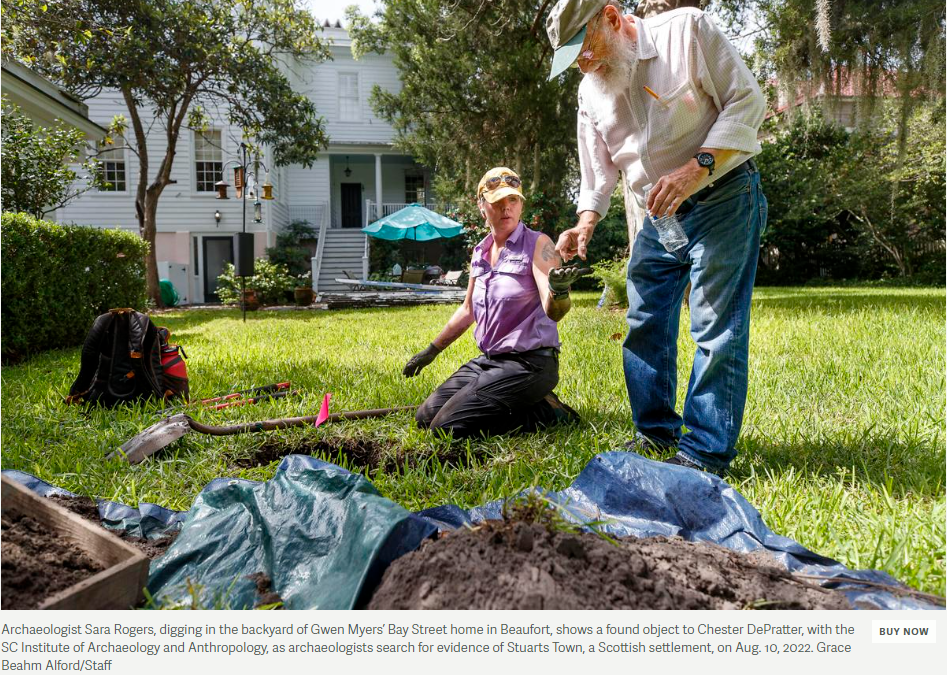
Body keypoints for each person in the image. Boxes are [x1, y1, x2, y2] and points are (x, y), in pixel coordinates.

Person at [545, 1, 768, 475]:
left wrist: (695, 169)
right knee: (644, 319)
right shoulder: (591, 89)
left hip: (723, 196)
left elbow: (748, 100)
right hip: (660, 216)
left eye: (585, 48)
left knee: (714, 325)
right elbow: (598, 171)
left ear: (611, 16)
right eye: (574, 60)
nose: (586, 64)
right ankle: (654, 435)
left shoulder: (686, 31)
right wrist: (585, 221)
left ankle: (705, 452)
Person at [403, 167, 586, 438]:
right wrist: (431, 351)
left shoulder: (537, 244)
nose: (506, 208)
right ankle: (521, 401)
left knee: (447, 429)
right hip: (489, 362)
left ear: (521, 205)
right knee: (424, 417)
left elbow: (554, 311)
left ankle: (547, 411)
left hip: (530, 365)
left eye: (512, 200)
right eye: (497, 202)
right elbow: (468, 310)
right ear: (482, 207)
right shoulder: (480, 251)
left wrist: (558, 291)